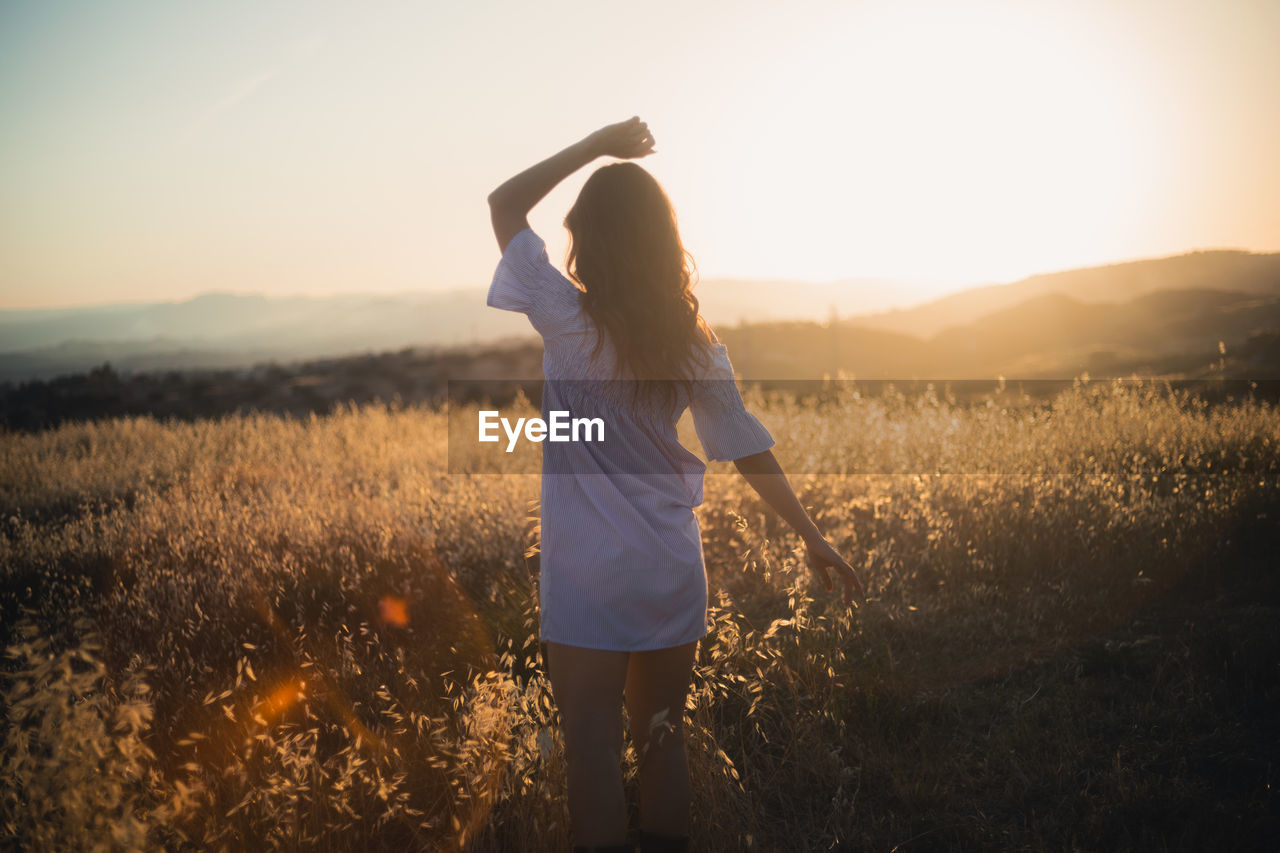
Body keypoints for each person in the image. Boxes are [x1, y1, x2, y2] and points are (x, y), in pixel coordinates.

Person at [486, 117, 865, 853]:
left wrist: (594, 146)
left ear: (586, 240)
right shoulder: (693, 344)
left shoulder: (565, 319)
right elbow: (747, 448)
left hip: (588, 572)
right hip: (667, 565)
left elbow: (504, 203)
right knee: (663, 736)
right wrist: (813, 537)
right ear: (664, 242)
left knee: (591, 746)